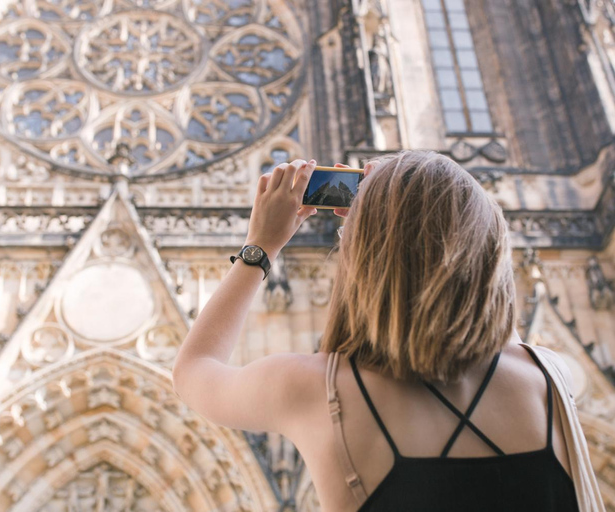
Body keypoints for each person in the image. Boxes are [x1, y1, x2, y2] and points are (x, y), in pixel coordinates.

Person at [172, 151, 583, 511]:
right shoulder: (550, 377)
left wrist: (261, 246)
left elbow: (194, 371)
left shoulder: (317, 392)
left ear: (363, 258)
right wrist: (400, 201)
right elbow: (482, 305)